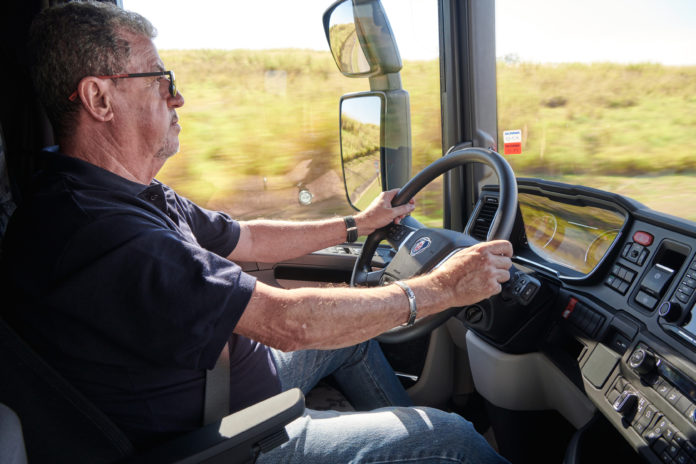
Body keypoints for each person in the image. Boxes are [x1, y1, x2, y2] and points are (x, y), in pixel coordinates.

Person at [0, 2, 513, 463]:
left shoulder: (122, 190)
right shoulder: (103, 233)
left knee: (354, 337)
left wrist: (358, 223)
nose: (177, 98)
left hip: (226, 384)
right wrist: (443, 288)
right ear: (99, 98)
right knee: (454, 439)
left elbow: (245, 238)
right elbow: (289, 324)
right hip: (225, 439)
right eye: (160, 79)